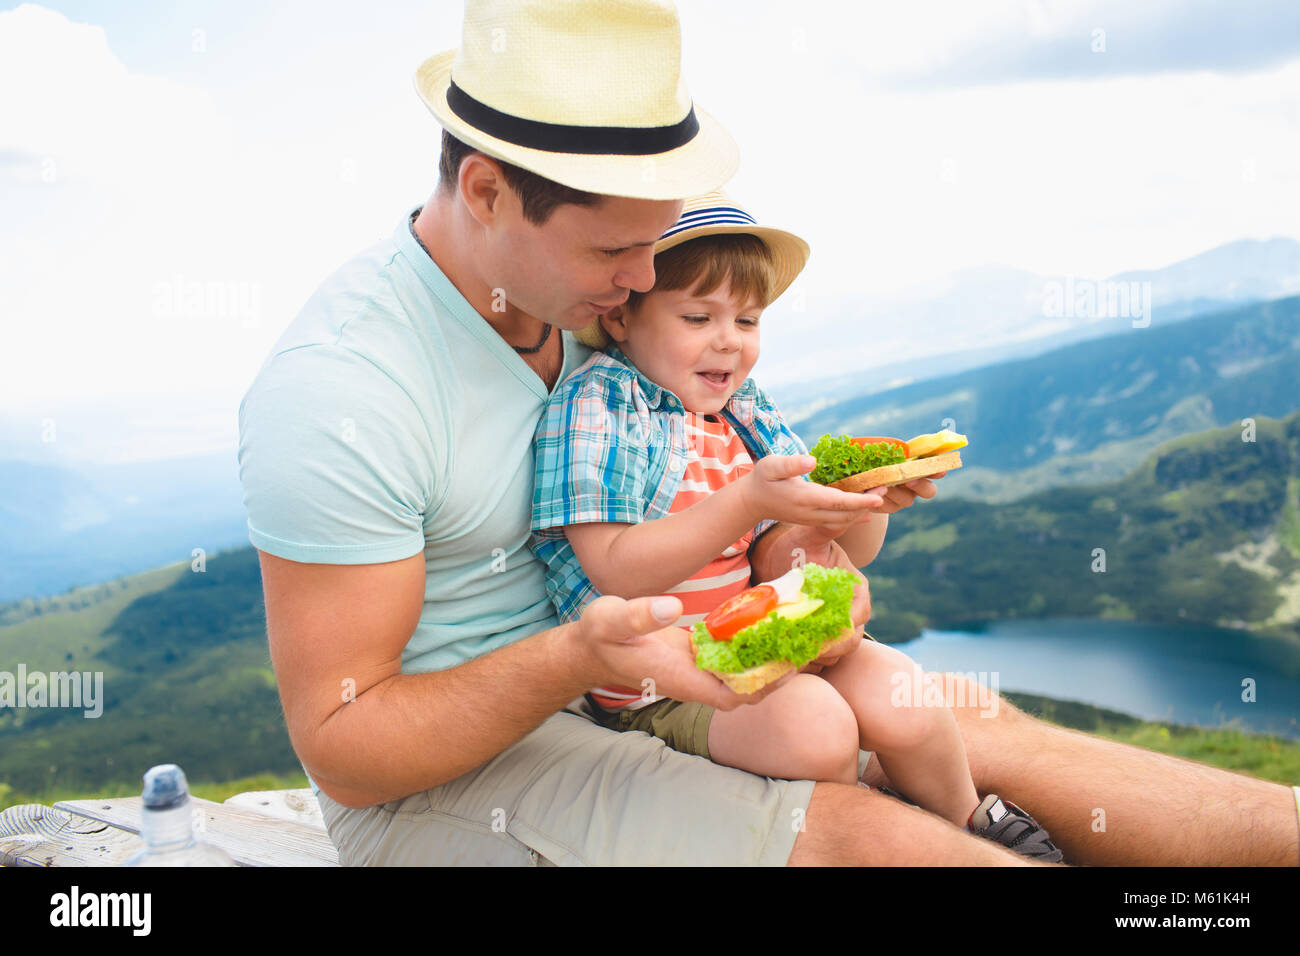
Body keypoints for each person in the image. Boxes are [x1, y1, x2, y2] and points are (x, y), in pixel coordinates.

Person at [238, 0, 1300, 866]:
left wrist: (811, 546)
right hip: (464, 770)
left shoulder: (607, 328)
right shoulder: (343, 388)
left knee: (963, 717)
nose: (647, 285)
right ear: (487, 190)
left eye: (659, 248)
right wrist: (574, 655)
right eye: (621, 251)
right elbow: (347, 746)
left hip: (664, 673)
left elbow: (717, 477)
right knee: (866, 835)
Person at [528, 192, 1064, 860]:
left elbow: (838, 552)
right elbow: (614, 567)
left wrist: (863, 506)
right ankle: (865, 832)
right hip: (661, 681)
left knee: (903, 695)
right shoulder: (600, 407)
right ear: (620, 317)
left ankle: (970, 822)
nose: (729, 338)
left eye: (748, 320)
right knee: (816, 729)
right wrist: (747, 502)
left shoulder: (743, 410)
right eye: (698, 316)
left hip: (769, 638)